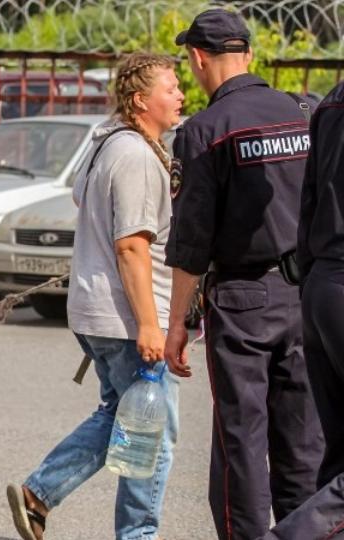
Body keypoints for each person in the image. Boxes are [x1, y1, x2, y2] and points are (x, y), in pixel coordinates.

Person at [6, 52, 183, 540]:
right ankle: (136, 535)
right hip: (126, 317)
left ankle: (39, 494)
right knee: (150, 433)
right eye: (171, 88)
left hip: (98, 311)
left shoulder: (108, 141)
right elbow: (131, 246)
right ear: (140, 99)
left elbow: (86, 204)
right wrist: (149, 324)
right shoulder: (134, 156)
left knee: (119, 416)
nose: (181, 96)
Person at [163, 9, 324, 540]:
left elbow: (191, 241)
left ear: (197, 58)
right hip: (305, 295)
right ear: (249, 54)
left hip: (242, 302)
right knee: (304, 442)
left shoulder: (204, 131)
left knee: (242, 444)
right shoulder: (305, 111)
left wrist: (177, 324)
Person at [259, 78, 344, 540]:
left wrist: (312, 280)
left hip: (321, 285)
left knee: (338, 459)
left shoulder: (330, 102)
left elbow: (307, 202)